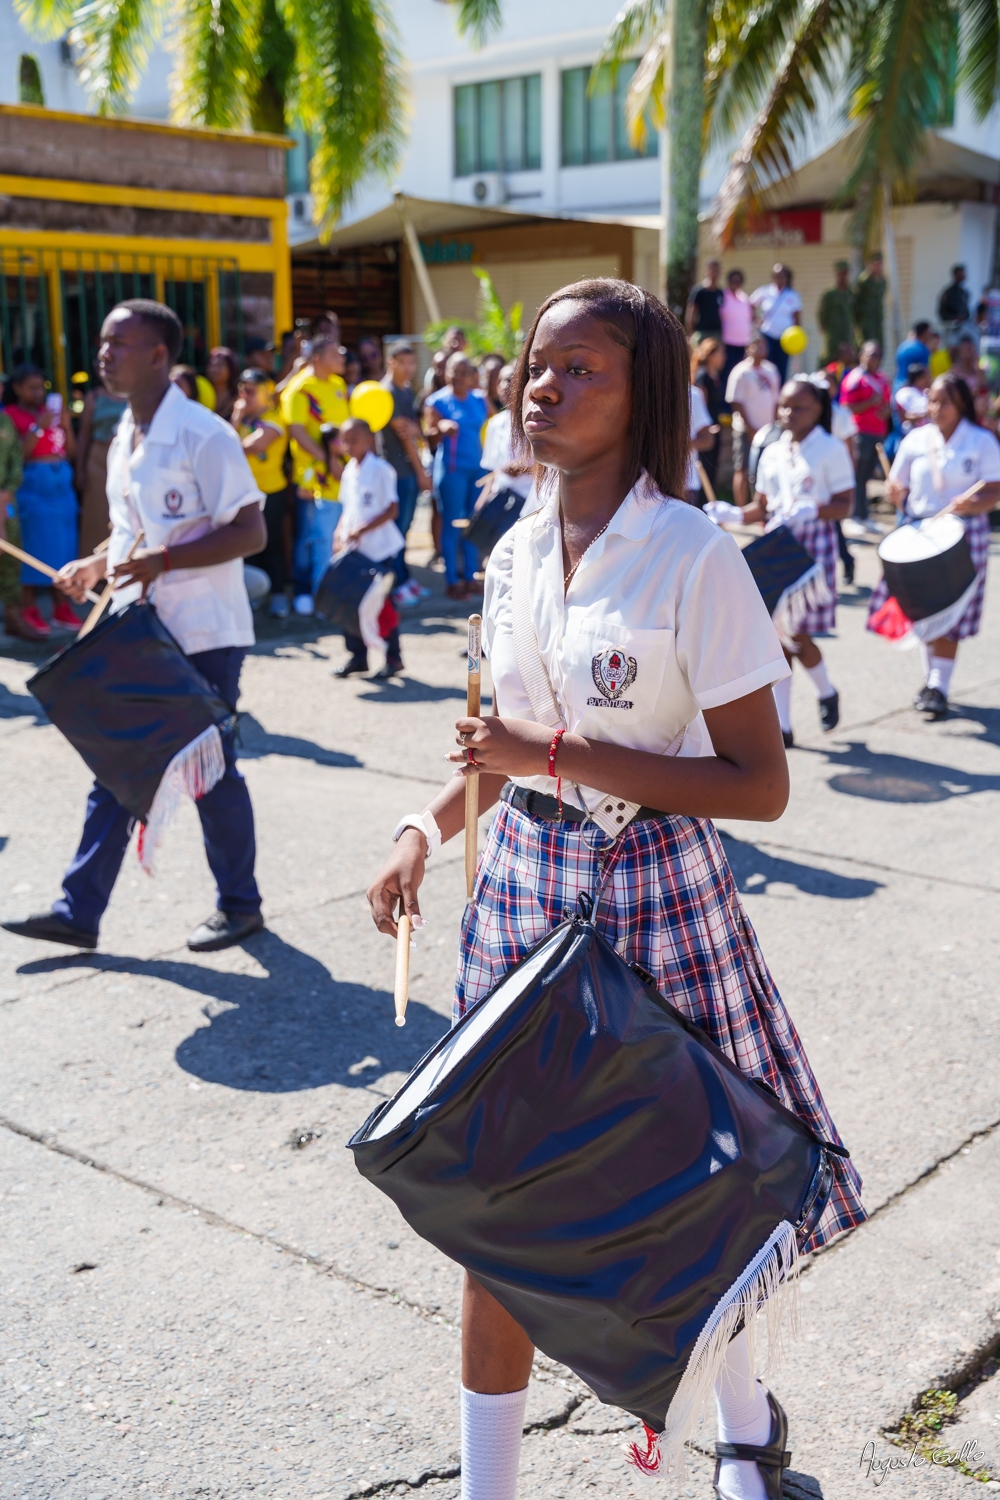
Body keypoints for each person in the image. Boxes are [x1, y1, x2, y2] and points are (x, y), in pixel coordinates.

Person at [366, 277, 864, 1500]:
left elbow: (758, 786)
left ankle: (744, 1448)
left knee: (699, 1203)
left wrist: (552, 758)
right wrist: (424, 829)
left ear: (643, 395)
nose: (545, 384)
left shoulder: (693, 553)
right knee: (498, 1207)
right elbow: (495, 748)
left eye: (580, 367)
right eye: (537, 364)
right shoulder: (511, 547)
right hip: (523, 895)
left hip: (654, 890)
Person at [2, 299, 267, 954]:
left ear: (158, 355)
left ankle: (240, 905)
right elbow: (130, 535)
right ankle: (78, 910)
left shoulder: (205, 433)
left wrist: (164, 560)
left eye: (119, 342)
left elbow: (250, 529)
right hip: (137, 626)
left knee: (210, 771)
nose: (104, 353)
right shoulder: (125, 432)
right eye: (102, 341)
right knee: (116, 764)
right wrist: (94, 566)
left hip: (203, 631)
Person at [869, 374, 1000, 719]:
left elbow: (994, 487)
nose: (936, 409)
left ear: (961, 405)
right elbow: (897, 484)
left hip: (963, 534)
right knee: (925, 609)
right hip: (921, 531)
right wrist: (895, 493)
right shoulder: (916, 439)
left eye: (945, 402)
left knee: (950, 610)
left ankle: (938, 685)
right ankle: (933, 682)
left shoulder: (981, 441)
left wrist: (972, 504)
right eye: (932, 401)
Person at [743, 375, 855, 745]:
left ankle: (826, 690)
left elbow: (845, 504)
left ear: (818, 409)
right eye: (784, 406)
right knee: (776, 641)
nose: (788, 413)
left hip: (811, 548)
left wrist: (814, 509)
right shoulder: (773, 449)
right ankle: (783, 727)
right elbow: (760, 507)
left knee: (798, 634)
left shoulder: (830, 448)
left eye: (798, 406)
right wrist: (729, 514)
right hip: (775, 546)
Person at [4, 365, 79, 638]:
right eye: (31, 387)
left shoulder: (50, 414)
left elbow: (69, 452)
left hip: (61, 492)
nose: (37, 393)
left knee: (63, 551)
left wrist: (67, 427)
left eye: (41, 388)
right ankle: (29, 609)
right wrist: (38, 428)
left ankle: (62, 608)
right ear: (17, 389)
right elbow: (17, 457)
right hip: (34, 493)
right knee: (33, 550)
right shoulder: (10, 416)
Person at [279, 334, 349, 615]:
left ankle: (329, 591)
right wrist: (326, 459)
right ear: (317, 358)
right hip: (311, 477)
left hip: (339, 475)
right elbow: (295, 430)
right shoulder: (299, 389)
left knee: (332, 537)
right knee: (309, 536)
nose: (341, 359)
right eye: (335, 355)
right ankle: (304, 590)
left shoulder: (338, 385)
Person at [332, 417, 405, 680]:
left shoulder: (381, 469)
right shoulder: (349, 470)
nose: (349, 445)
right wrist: (338, 535)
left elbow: (391, 509)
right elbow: (347, 509)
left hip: (379, 549)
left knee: (380, 605)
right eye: (345, 440)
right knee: (350, 602)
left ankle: (393, 657)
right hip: (354, 549)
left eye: (354, 440)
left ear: (369, 440)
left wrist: (362, 529)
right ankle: (358, 656)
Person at [424, 353, 488, 599]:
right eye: (454, 371)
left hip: (478, 470)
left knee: (473, 523)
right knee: (452, 523)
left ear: (471, 375)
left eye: (464, 372)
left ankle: (470, 576)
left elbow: (494, 425)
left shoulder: (480, 399)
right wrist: (440, 428)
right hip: (451, 471)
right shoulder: (436, 402)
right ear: (445, 373)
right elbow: (428, 435)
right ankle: (452, 579)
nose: (458, 377)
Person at [233, 368, 290, 618]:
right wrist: (236, 417)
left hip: (271, 492)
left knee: (271, 543)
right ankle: (256, 594)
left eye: (251, 389)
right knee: (248, 545)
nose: (245, 394)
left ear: (265, 391)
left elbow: (251, 446)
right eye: (241, 389)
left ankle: (278, 593)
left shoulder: (274, 421)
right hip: (245, 493)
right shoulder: (244, 419)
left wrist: (235, 420)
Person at [380, 341, 432, 606]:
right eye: (404, 363)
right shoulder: (387, 392)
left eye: (412, 363)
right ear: (391, 362)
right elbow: (405, 437)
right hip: (397, 473)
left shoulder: (405, 390)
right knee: (397, 531)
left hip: (408, 471)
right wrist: (421, 471)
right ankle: (396, 584)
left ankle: (404, 578)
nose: (410, 368)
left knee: (405, 530)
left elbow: (413, 429)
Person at [839, 341, 890, 533]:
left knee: (866, 476)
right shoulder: (855, 378)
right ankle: (853, 515)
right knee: (856, 475)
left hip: (877, 432)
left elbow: (885, 402)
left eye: (877, 355)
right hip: (859, 433)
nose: (874, 359)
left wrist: (885, 411)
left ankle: (864, 515)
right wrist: (869, 403)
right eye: (870, 354)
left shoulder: (882, 378)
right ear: (862, 356)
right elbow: (846, 407)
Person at [725, 335, 781, 507]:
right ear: (748, 348)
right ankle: (742, 509)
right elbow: (736, 401)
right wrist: (750, 428)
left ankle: (761, 507)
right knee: (742, 468)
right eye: (756, 346)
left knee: (766, 469)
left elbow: (777, 400)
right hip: (746, 429)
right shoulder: (741, 371)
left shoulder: (771, 369)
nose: (760, 349)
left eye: (763, 346)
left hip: (768, 431)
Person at [75, 376, 127, 559]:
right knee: (97, 518)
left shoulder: (135, 395)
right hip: (98, 460)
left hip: (127, 461)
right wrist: (79, 469)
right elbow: (84, 434)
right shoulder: (94, 397)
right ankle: (95, 573)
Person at [0, 405, 26, 638]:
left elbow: (16, 461)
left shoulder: (5, 421)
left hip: (5, 503)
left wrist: (6, 493)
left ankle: (13, 618)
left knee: (10, 559)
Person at [750, 264, 802, 381]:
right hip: (768, 335)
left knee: (782, 368)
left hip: (786, 338)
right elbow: (750, 304)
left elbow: (797, 317)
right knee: (767, 366)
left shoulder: (793, 295)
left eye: (782, 275)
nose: (780, 278)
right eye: (777, 275)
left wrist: (798, 337)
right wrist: (755, 319)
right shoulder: (765, 291)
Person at [691, 337, 726, 496]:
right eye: (720, 354)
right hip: (705, 427)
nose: (723, 357)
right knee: (704, 469)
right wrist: (707, 426)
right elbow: (701, 405)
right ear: (710, 355)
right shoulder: (703, 376)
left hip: (713, 428)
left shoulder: (715, 376)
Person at [719, 267, 754, 386]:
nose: (736, 283)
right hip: (727, 342)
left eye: (738, 281)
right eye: (733, 280)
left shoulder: (744, 297)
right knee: (727, 373)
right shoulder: (722, 296)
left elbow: (749, 318)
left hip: (743, 343)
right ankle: (724, 403)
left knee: (740, 373)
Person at [817, 261, 855, 367]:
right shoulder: (830, 294)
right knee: (829, 358)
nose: (843, 276)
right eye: (840, 273)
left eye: (845, 273)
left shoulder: (851, 293)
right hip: (833, 333)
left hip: (846, 332)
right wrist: (825, 329)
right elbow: (821, 313)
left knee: (847, 359)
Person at [685, 378, 715, 506]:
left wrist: (673, 446)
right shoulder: (642, 392)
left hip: (686, 484)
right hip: (645, 487)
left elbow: (707, 440)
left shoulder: (692, 395)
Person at [684, 259, 723, 340]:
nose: (714, 274)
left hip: (717, 333)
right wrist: (690, 333)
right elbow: (691, 313)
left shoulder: (720, 292)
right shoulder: (699, 291)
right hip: (702, 332)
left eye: (716, 271)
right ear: (706, 271)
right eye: (712, 270)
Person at [852, 253, 885, 347]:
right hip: (865, 321)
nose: (878, 266)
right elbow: (855, 300)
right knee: (865, 345)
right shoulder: (864, 280)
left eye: (880, 263)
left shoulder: (883, 281)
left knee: (879, 346)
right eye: (876, 264)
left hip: (877, 320)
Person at [938, 264, 971, 343]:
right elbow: (942, 312)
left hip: (964, 328)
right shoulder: (948, 292)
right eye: (961, 273)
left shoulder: (964, 293)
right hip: (951, 329)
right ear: (955, 275)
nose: (963, 275)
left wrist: (964, 318)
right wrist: (954, 318)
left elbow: (967, 312)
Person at [206, 346, 240, 422]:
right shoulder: (202, 392)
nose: (214, 369)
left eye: (220, 365)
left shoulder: (238, 397)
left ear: (231, 369)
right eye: (211, 365)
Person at [893, 364, 930, 432]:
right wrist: (925, 415)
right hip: (909, 433)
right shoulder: (904, 393)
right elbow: (904, 417)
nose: (928, 379)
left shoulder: (926, 392)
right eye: (925, 376)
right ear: (918, 379)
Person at [893, 321, 931, 387]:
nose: (930, 336)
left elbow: (896, 368)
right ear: (925, 333)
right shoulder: (923, 349)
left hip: (897, 386)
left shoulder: (902, 346)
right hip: (911, 388)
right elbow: (925, 372)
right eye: (929, 333)